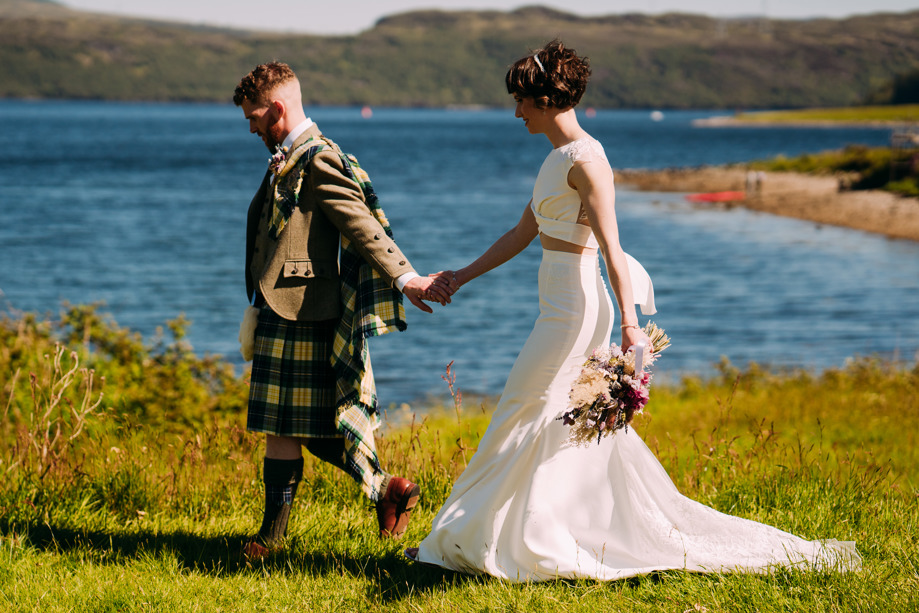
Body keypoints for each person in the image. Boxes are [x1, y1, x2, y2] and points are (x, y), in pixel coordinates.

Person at [406, 41, 861, 581]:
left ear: (548, 98)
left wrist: (628, 324)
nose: (516, 112)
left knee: (524, 408)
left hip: (576, 310)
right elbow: (521, 233)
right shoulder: (556, 159)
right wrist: (458, 276)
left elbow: (612, 249)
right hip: (557, 305)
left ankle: (497, 539)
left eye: (522, 101)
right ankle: (504, 533)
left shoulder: (588, 163)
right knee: (537, 414)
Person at [232, 62, 454, 558]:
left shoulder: (318, 158)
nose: (250, 127)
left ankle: (271, 539)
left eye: (253, 116)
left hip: (301, 308)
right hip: (282, 306)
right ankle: (386, 490)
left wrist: (406, 277)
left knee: (288, 427)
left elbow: (359, 222)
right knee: (299, 426)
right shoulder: (288, 155)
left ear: (278, 109)